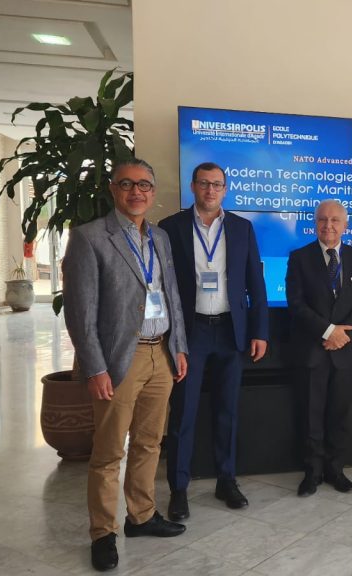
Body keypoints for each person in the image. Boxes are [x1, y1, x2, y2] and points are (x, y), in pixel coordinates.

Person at [62, 158, 189, 571]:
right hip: (121, 357)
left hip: (161, 353)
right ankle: (103, 532)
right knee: (109, 451)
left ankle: (142, 515)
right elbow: (81, 312)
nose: (137, 192)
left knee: (151, 443)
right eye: (128, 184)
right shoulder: (89, 237)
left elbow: (170, 295)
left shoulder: (161, 238)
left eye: (145, 185)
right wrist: (95, 367)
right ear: (114, 189)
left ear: (153, 192)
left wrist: (179, 346)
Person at [159, 161, 269, 521]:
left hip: (230, 331)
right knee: (183, 413)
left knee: (227, 411)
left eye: (217, 185)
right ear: (193, 186)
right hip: (189, 334)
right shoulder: (171, 228)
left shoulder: (241, 228)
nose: (210, 190)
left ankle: (226, 479)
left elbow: (256, 282)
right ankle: (179, 489)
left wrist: (260, 331)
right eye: (204, 184)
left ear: (226, 189)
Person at [286, 199, 352, 496]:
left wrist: (344, 334)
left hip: (345, 352)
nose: (329, 225)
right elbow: (296, 304)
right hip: (313, 350)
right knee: (311, 415)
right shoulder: (299, 258)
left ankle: (336, 470)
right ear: (315, 223)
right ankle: (312, 472)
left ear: (345, 225)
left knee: (339, 415)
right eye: (323, 220)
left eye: (335, 220)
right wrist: (328, 331)